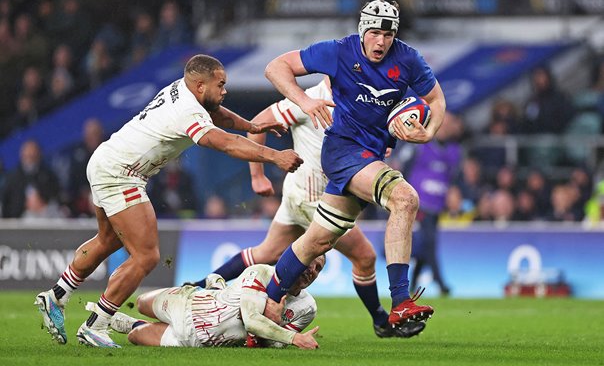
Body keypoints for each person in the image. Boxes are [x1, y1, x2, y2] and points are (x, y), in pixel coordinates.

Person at [35, 54, 303, 348]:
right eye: (221, 84)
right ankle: (96, 323)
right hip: (122, 173)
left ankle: (57, 295)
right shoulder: (188, 111)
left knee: (108, 240)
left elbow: (217, 115)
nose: (225, 90)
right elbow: (224, 142)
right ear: (201, 85)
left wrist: (252, 126)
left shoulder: (183, 89)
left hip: (106, 160)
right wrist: (275, 156)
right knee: (146, 256)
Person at [189, 77, 425, 338]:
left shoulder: (359, 101)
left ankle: (200, 287)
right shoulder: (307, 100)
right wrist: (257, 176)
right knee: (365, 257)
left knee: (266, 252)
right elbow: (258, 124)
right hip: (313, 197)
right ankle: (381, 321)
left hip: (298, 192)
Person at [261, 0, 446, 330]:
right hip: (342, 150)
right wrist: (304, 100)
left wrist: (427, 132)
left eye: (388, 34)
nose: (381, 41)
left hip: (371, 157)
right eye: (374, 32)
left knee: (315, 242)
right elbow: (275, 67)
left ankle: (267, 304)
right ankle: (400, 302)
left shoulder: (408, 58)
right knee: (405, 199)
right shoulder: (338, 51)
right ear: (363, 30)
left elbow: (436, 99)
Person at [108, 256, 325, 349]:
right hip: (187, 304)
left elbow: (274, 344)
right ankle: (215, 289)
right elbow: (251, 322)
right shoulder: (261, 272)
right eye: (310, 263)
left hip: (198, 341)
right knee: (140, 303)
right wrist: (294, 337)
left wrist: (277, 325)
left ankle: (132, 324)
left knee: (134, 336)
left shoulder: (307, 308)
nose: (312, 271)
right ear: (298, 260)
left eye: (319, 269)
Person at [397, 112, 463, 296]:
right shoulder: (418, 146)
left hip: (437, 204)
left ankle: (413, 284)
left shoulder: (454, 151)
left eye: (448, 125)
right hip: (420, 202)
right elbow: (402, 166)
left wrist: (453, 193)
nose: (445, 128)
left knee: (426, 245)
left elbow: (454, 178)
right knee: (430, 242)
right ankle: (441, 284)